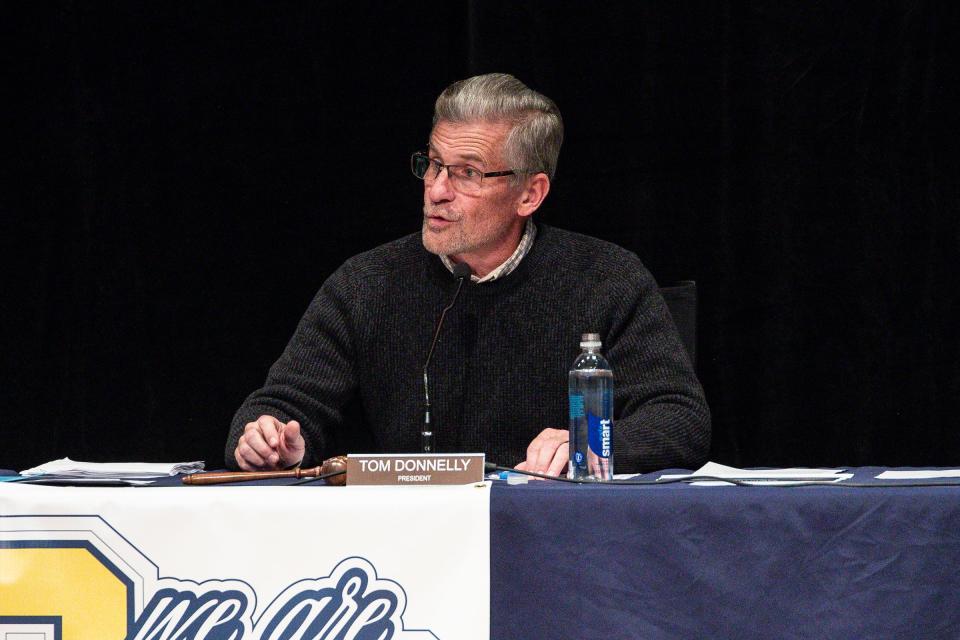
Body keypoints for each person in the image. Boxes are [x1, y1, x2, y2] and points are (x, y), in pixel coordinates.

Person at [225, 73, 710, 476]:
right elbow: (282, 406)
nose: (436, 190)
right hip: (409, 548)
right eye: (433, 165)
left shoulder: (606, 279)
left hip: (551, 539)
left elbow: (680, 419)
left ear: (530, 194)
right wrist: (268, 438)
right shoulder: (366, 284)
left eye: (467, 173)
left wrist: (592, 442)